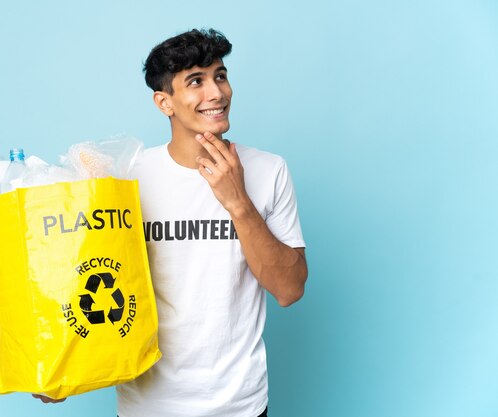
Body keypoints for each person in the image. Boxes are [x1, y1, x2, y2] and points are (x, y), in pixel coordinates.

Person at [35, 28, 307, 417]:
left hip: (240, 406)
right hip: (148, 405)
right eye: (196, 81)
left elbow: (290, 289)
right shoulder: (128, 177)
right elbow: (92, 276)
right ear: (164, 102)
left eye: (221, 76)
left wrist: (238, 202)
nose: (216, 93)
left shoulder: (269, 170)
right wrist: (62, 364)